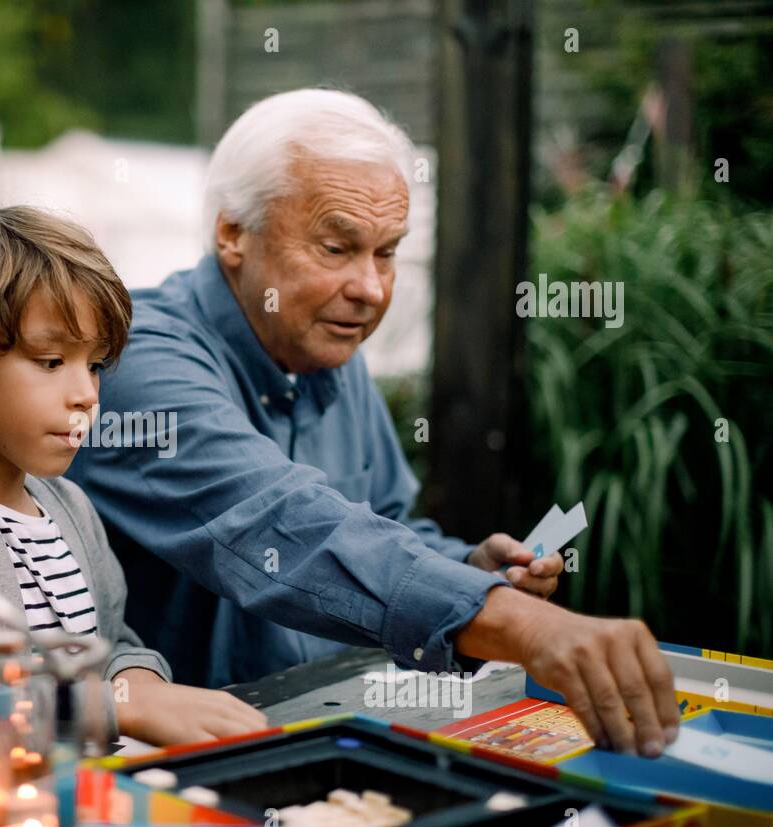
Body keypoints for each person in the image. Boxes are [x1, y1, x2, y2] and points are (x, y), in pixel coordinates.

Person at [67, 89, 679, 759]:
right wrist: (513, 621)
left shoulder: (323, 340)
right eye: (336, 247)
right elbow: (288, 527)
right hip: (176, 779)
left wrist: (469, 568)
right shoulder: (134, 361)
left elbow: (381, 522)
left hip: (329, 738)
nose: (372, 289)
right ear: (232, 232)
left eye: (387, 252)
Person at [0, 205, 267, 746]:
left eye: (94, 364)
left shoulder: (71, 509)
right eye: (49, 362)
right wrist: (117, 705)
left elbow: (112, 642)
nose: (86, 395)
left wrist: (136, 682)